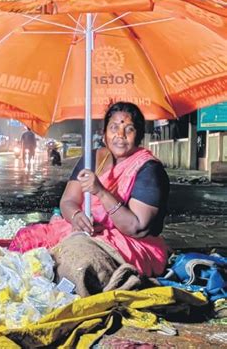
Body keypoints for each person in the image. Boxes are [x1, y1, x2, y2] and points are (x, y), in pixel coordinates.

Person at [10, 102, 170, 277]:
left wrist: (101, 192)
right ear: (104, 134)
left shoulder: (149, 169)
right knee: (26, 239)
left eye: (129, 129)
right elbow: (68, 201)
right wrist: (76, 216)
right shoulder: (92, 159)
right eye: (114, 127)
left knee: (80, 260)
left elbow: (136, 227)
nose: (120, 135)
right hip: (87, 232)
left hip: (131, 244)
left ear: (138, 135)